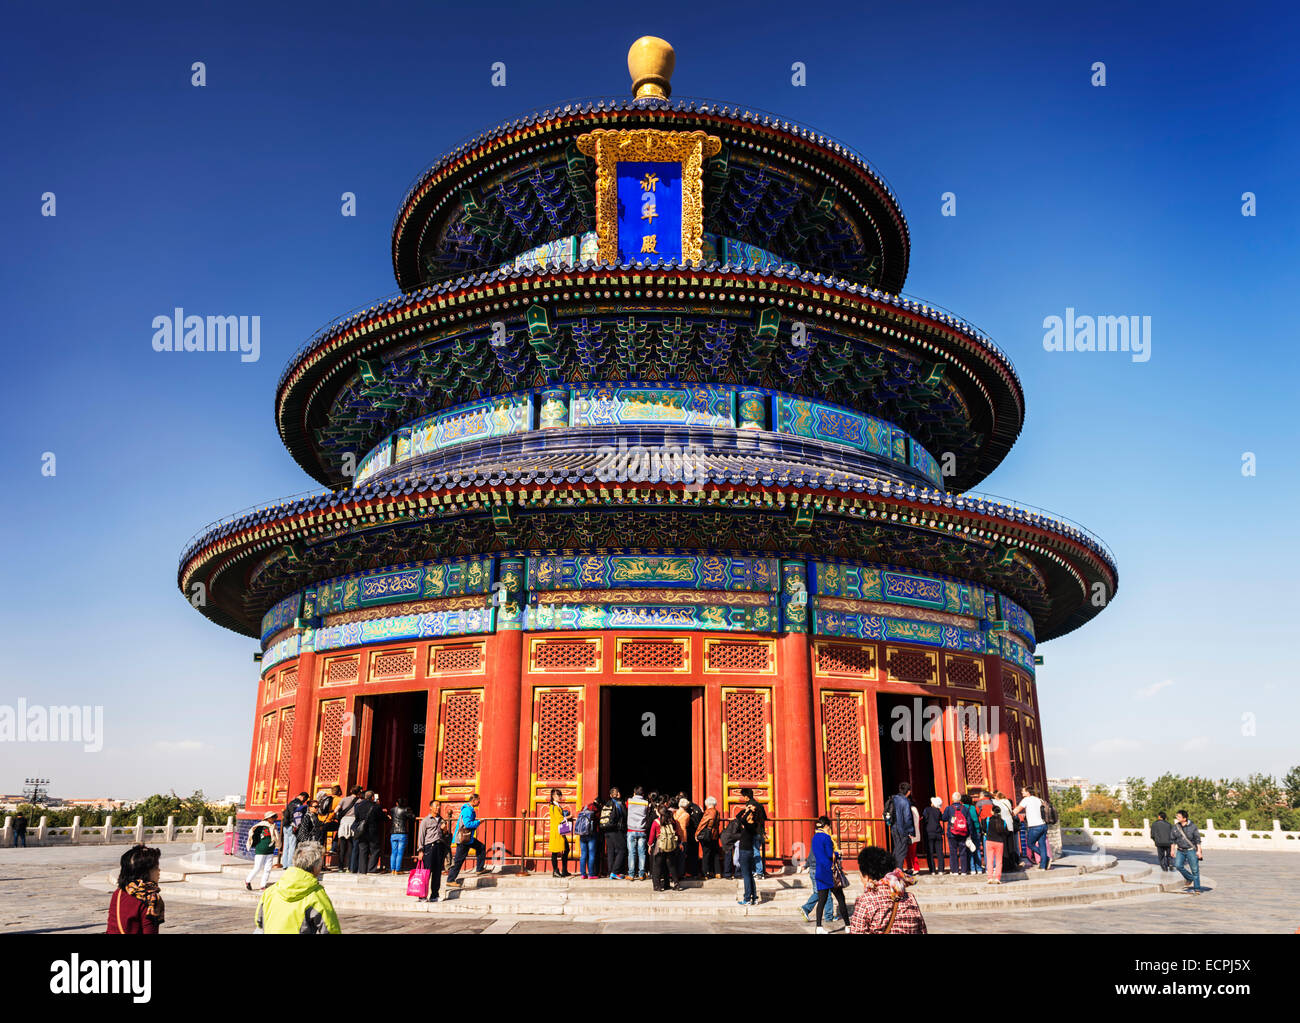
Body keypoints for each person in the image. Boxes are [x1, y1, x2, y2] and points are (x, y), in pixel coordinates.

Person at [254, 841, 340, 934]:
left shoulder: (270, 892)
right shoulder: (316, 895)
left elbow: (259, 922)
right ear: (316, 867)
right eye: (320, 864)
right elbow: (331, 929)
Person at [849, 845, 928, 934]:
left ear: (867, 877)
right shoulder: (910, 898)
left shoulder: (866, 901)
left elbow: (856, 932)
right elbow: (922, 930)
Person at [107, 844, 164, 934]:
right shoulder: (150, 899)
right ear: (145, 871)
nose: (159, 871)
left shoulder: (119, 893)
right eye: (156, 867)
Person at [810, 816, 849, 932]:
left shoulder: (815, 837)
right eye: (829, 826)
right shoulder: (826, 838)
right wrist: (838, 853)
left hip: (820, 871)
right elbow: (829, 854)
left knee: (821, 901)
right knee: (841, 899)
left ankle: (818, 927)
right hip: (830, 873)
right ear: (826, 826)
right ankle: (848, 925)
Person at [445, 793, 486, 887]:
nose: (479, 802)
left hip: (468, 838)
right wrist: (479, 822)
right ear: (473, 800)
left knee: (481, 847)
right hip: (463, 839)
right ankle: (450, 879)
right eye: (478, 800)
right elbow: (467, 824)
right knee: (459, 860)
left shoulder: (469, 809)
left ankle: (480, 868)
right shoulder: (468, 810)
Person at [798, 836, 838, 925]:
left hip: (812, 869)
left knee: (821, 893)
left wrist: (806, 865)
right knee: (824, 893)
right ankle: (808, 909)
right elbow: (829, 856)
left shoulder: (816, 841)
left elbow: (810, 855)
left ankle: (827, 915)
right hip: (820, 869)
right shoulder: (826, 841)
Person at [415, 799, 449, 902]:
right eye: (436, 806)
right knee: (426, 872)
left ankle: (434, 895)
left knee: (437, 872)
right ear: (430, 807)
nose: (438, 808)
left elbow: (446, 836)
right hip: (429, 848)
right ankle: (422, 896)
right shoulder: (425, 820)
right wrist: (420, 850)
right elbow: (421, 835)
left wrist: (445, 830)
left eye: (439, 806)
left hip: (439, 847)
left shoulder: (442, 820)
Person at [1013, 786, 1050, 870]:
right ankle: (1043, 866)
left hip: (1034, 826)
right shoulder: (1039, 799)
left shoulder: (1026, 800)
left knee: (1030, 844)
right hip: (1043, 825)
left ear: (1028, 792)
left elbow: (1016, 810)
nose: (1022, 793)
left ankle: (1046, 858)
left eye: (1023, 791)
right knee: (1042, 845)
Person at [649, 808, 683, 892]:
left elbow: (652, 835)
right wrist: (679, 843)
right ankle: (676, 884)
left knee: (657, 866)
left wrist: (650, 845)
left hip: (660, 846)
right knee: (671, 865)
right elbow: (677, 833)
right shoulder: (672, 821)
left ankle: (657, 886)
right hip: (670, 846)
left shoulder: (656, 822)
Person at [1170, 811, 1205, 893]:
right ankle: (1189, 878)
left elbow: (1198, 840)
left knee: (1195, 870)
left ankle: (1197, 888)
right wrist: (1172, 850)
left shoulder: (1193, 827)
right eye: (1177, 816)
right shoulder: (1175, 827)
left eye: (1178, 816)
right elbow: (1172, 840)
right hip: (1180, 850)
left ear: (1184, 818)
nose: (1177, 818)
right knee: (1178, 866)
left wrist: (1199, 851)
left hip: (1191, 850)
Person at [349, 789, 382, 875]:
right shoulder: (376, 806)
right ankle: (371, 869)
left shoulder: (357, 805)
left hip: (361, 831)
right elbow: (380, 817)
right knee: (375, 850)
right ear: (372, 797)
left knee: (363, 850)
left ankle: (362, 870)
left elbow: (357, 818)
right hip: (372, 830)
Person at [733, 801, 760, 905]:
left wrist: (747, 810)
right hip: (749, 852)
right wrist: (746, 809)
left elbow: (742, 819)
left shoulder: (750, 826)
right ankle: (755, 898)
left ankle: (747, 898)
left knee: (746, 876)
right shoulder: (754, 825)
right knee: (750, 875)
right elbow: (738, 816)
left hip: (745, 852)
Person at [245, 811, 279, 890]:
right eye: (273, 817)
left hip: (270, 850)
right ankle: (248, 880)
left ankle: (263, 885)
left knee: (268, 869)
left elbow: (276, 838)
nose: (274, 819)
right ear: (268, 818)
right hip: (261, 850)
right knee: (257, 867)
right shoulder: (260, 826)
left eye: (275, 817)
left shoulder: (273, 827)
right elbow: (253, 836)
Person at [941, 791, 971, 874]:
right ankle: (964, 871)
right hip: (963, 832)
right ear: (960, 799)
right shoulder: (965, 808)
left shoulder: (949, 808)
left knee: (953, 851)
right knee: (963, 851)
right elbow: (969, 822)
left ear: (953, 799)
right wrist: (969, 833)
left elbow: (943, 818)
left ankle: (955, 870)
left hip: (952, 833)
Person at [333, 786, 362, 871]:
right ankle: (350, 867)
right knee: (351, 847)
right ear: (359, 793)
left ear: (350, 791)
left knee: (342, 846)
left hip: (344, 822)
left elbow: (336, 810)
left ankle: (340, 867)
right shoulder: (360, 801)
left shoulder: (344, 799)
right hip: (353, 822)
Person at [601, 787, 627, 879]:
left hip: (606, 830)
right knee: (622, 849)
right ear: (618, 794)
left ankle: (610, 872)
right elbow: (625, 816)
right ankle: (615, 872)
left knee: (610, 851)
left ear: (610, 795)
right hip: (616, 830)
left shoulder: (607, 804)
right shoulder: (619, 803)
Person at [625, 786, 650, 881]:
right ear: (643, 794)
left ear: (634, 793)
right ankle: (641, 874)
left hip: (631, 830)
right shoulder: (646, 803)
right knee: (642, 853)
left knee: (631, 853)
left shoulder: (629, 801)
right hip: (642, 830)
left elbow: (627, 807)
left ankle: (631, 875)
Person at [741, 788, 768, 878]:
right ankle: (759, 871)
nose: (743, 798)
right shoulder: (759, 805)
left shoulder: (750, 805)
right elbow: (765, 817)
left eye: (743, 796)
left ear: (746, 796)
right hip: (761, 831)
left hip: (753, 831)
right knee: (757, 851)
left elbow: (745, 819)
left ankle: (759, 872)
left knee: (755, 852)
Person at [889, 782, 915, 872]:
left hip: (893, 827)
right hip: (902, 828)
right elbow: (907, 817)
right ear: (908, 791)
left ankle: (892, 868)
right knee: (902, 850)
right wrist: (911, 831)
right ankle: (898, 870)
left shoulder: (894, 798)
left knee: (897, 848)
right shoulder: (905, 801)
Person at [546, 788, 572, 877]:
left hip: (560, 831)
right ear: (553, 796)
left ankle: (564, 870)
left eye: (560, 795)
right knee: (555, 852)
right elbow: (559, 819)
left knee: (566, 849)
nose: (560, 796)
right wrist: (569, 817)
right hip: (556, 832)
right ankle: (555, 871)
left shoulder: (557, 806)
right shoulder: (553, 807)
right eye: (558, 795)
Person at [991, 789, 1019, 871]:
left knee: (1004, 847)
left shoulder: (997, 802)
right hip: (1010, 826)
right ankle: (1012, 864)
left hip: (1003, 826)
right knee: (1011, 846)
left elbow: (991, 800)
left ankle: (1005, 866)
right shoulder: (1007, 802)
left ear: (997, 797)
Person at [280, 791, 308, 869]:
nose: (304, 801)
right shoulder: (298, 804)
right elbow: (296, 814)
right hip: (292, 826)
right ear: (303, 797)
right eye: (304, 799)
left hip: (285, 826)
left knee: (286, 846)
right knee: (292, 846)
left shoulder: (291, 802)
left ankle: (284, 864)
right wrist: (297, 825)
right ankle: (290, 865)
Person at [696, 796, 722, 878]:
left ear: (707, 804)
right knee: (715, 853)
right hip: (715, 834)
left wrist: (697, 833)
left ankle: (705, 873)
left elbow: (703, 823)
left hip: (707, 835)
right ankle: (717, 872)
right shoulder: (717, 812)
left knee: (706, 854)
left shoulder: (708, 812)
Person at [983, 802, 1008, 883]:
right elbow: (1006, 832)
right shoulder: (1003, 821)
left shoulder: (987, 820)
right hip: (999, 842)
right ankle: (998, 878)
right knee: (999, 861)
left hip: (989, 841)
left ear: (992, 812)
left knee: (989, 860)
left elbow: (983, 829)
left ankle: (989, 877)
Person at [575, 798, 600, 879]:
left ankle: (583, 874)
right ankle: (591, 874)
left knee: (583, 854)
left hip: (582, 834)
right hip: (591, 834)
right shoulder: (596, 809)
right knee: (592, 854)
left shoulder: (585, 807)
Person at [921, 796, 945, 873]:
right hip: (938, 833)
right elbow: (942, 818)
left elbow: (924, 819)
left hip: (929, 833)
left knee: (930, 852)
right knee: (939, 852)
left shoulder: (927, 810)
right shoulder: (938, 811)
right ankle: (941, 870)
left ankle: (932, 870)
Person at [389, 797, 412, 875]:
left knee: (393, 852)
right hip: (402, 832)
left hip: (393, 832)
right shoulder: (405, 810)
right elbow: (412, 817)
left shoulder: (392, 810)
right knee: (400, 852)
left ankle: (392, 869)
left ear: (396, 803)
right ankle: (398, 870)